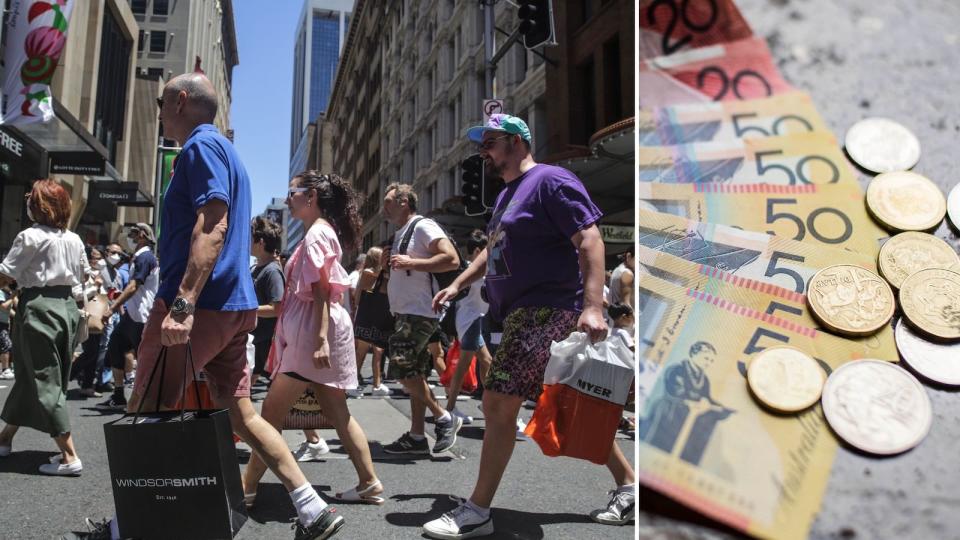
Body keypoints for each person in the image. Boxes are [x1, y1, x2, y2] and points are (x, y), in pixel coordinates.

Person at [72, 73, 346, 539]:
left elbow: (214, 223)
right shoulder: (228, 153)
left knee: (149, 409)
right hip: (233, 308)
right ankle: (312, 507)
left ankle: (126, 528)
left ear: (180, 101)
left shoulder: (199, 148)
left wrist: (182, 304)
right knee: (239, 412)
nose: (159, 109)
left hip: (202, 305)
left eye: (162, 101)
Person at [423, 114, 636, 538]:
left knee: (498, 401)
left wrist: (594, 306)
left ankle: (478, 510)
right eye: (481, 145)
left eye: (491, 142)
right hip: (519, 312)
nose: (483, 151)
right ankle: (630, 485)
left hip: (547, 307)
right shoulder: (506, 196)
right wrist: (460, 285)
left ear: (518, 141)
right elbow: (492, 248)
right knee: (567, 404)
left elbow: (591, 239)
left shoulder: (550, 181)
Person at [242, 171, 383, 506]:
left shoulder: (318, 234)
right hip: (314, 330)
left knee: (270, 415)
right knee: (337, 412)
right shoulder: (320, 232)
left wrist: (319, 339)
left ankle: (246, 487)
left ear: (312, 197)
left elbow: (321, 289)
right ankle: (369, 482)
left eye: (293, 193)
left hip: (312, 333)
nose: (289, 199)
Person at [0, 179, 88, 476]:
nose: (27, 203)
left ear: (40, 206)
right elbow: (82, 278)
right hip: (66, 308)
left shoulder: (30, 236)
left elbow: (5, 275)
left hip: (38, 308)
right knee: (34, 374)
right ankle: (5, 439)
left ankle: (69, 456)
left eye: (31, 199)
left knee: (42, 377)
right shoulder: (74, 239)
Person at [380, 183, 463, 456]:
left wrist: (410, 263)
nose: (385, 206)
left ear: (404, 202)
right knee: (415, 373)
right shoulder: (402, 232)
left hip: (420, 311)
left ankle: (443, 417)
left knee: (402, 370)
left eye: (389, 201)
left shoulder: (423, 226)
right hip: (407, 312)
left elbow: (451, 259)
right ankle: (417, 436)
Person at [95, 223, 158, 411]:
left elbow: (133, 286)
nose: (129, 237)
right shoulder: (138, 257)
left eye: (132, 234)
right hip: (131, 314)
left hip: (141, 316)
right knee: (115, 347)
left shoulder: (145, 257)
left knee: (144, 358)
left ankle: (149, 399)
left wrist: (112, 308)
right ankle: (118, 394)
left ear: (142, 236)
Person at [444, 230, 493, 425]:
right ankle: (450, 409)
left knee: (487, 361)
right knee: (463, 366)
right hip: (470, 321)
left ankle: (486, 403)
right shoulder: (474, 268)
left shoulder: (471, 268)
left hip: (472, 321)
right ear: (479, 250)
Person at [349, 246, 389, 398]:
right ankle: (352, 383)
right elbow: (360, 294)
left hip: (377, 315)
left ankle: (377, 385)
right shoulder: (368, 273)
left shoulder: (384, 274)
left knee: (379, 351)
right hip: (367, 315)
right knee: (362, 352)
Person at [250, 216, 285, 387]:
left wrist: (248, 309)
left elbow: (276, 308)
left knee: (243, 391)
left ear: (261, 242)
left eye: (251, 238)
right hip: (251, 338)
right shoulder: (258, 268)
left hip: (259, 342)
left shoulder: (272, 272)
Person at [0, 282, 13, 380]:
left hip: (5, 323)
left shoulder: (8, 294)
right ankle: (5, 369)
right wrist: (13, 297)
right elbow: (3, 306)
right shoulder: (0, 292)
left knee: (5, 345)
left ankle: (6, 368)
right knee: (6, 344)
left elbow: (9, 310)